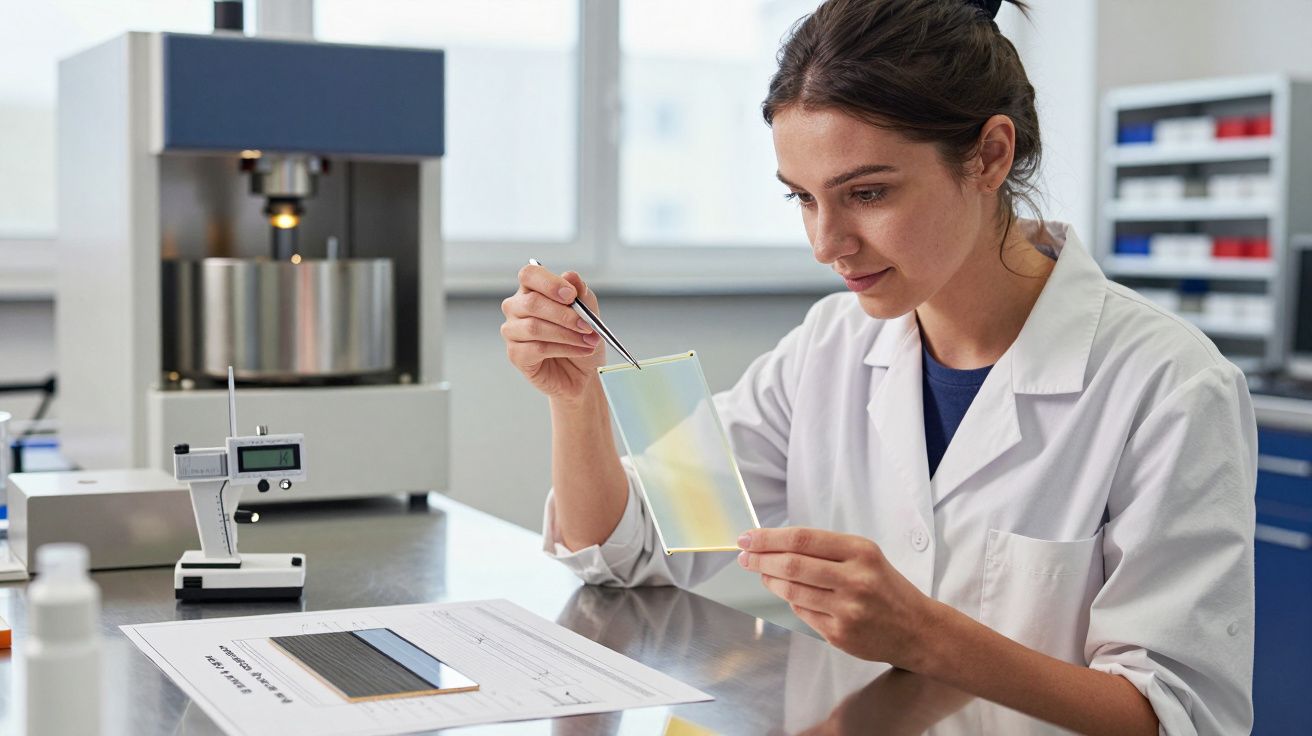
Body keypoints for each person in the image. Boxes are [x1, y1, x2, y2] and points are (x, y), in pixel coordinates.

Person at [499, 0, 1256, 733]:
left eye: (867, 193)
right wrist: (577, 399)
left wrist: (926, 635)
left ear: (990, 155)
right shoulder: (828, 349)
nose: (827, 243)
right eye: (803, 199)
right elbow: (630, 551)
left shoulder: (1170, 387)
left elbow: (1176, 719)